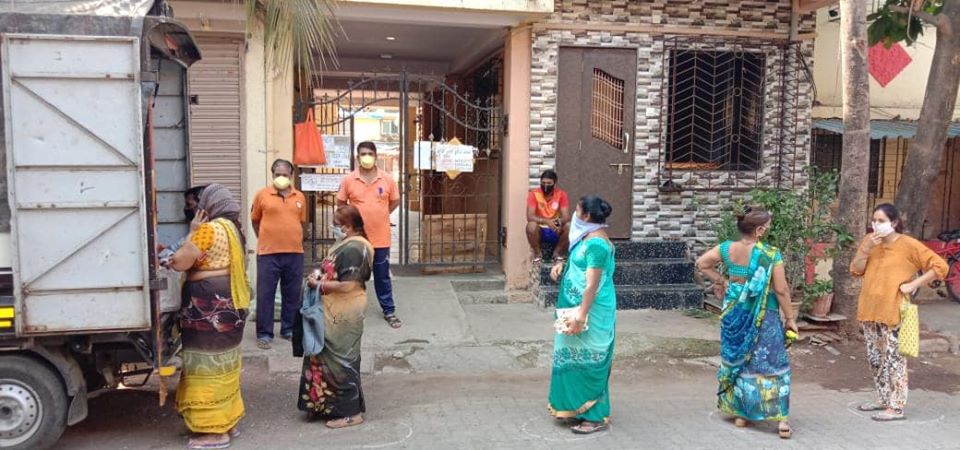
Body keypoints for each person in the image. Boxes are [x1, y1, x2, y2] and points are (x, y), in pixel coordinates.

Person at [695, 206, 795, 439]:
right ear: (759, 230)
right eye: (767, 227)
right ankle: (781, 420)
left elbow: (702, 263)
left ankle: (742, 414)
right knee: (772, 362)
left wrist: (722, 280)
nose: (768, 230)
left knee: (742, 361)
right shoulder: (770, 254)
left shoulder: (727, 249)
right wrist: (790, 318)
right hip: (765, 314)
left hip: (734, 312)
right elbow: (780, 289)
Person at [849, 203, 948, 422]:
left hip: (894, 309)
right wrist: (865, 249)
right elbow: (855, 270)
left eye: (881, 221)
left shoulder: (909, 245)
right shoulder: (869, 242)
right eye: (874, 220)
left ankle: (897, 406)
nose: (876, 225)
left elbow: (940, 266)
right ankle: (883, 399)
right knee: (875, 358)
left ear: (894, 223)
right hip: (869, 309)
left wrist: (914, 285)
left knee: (895, 358)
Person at [168, 184, 249, 449]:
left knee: (205, 364)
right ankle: (227, 421)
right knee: (224, 360)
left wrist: (191, 232)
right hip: (230, 301)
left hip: (206, 306)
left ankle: (214, 432)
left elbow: (180, 262)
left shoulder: (208, 229)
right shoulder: (234, 230)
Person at [298, 205, 374, 429]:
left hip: (345, 312)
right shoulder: (344, 244)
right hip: (331, 309)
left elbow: (349, 284)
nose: (333, 227)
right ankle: (325, 406)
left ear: (348, 227)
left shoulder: (356, 248)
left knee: (342, 361)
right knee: (323, 356)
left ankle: (351, 413)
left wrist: (319, 285)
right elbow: (331, 269)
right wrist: (318, 274)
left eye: (336, 224)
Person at [547, 196, 616, 434]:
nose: (574, 214)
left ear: (586, 216)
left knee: (590, 358)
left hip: (590, 311)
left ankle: (594, 416)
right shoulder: (587, 237)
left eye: (577, 210)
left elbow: (592, 285)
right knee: (572, 356)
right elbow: (579, 263)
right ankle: (574, 407)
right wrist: (562, 266)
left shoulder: (597, 244)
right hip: (573, 307)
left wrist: (581, 315)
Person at [336, 142, 402, 329]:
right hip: (356, 239)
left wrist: (380, 215)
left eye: (370, 153)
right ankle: (351, 311)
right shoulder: (349, 180)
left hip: (380, 237)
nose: (366, 157)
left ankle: (389, 310)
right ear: (357, 157)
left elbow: (395, 201)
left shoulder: (387, 179)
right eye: (363, 154)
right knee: (353, 276)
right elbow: (341, 204)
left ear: (375, 155)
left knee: (382, 276)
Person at [251, 159, 308, 349]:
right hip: (268, 254)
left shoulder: (299, 196)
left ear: (291, 176)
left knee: (292, 294)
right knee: (265, 294)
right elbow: (255, 221)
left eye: (285, 175)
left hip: (294, 253)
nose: (281, 178)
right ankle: (264, 333)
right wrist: (265, 239)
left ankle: (288, 329)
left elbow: (301, 222)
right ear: (272, 175)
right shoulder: (262, 195)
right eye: (278, 175)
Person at [526, 170, 571, 263]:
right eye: (543, 183)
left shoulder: (561, 195)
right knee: (530, 225)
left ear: (554, 183)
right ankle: (537, 254)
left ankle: (557, 253)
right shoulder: (534, 194)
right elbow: (530, 216)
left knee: (569, 226)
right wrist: (546, 221)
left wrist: (557, 222)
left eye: (549, 183)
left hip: (556, 228)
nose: (546, 185)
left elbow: (566, 217)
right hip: (540, 229)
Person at [159, 186, 206, 261]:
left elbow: (179, 259)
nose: (186, 209)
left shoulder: (211, 230)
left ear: (203, 206)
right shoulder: (196, 230)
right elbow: (166, 253)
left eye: (189, 205)